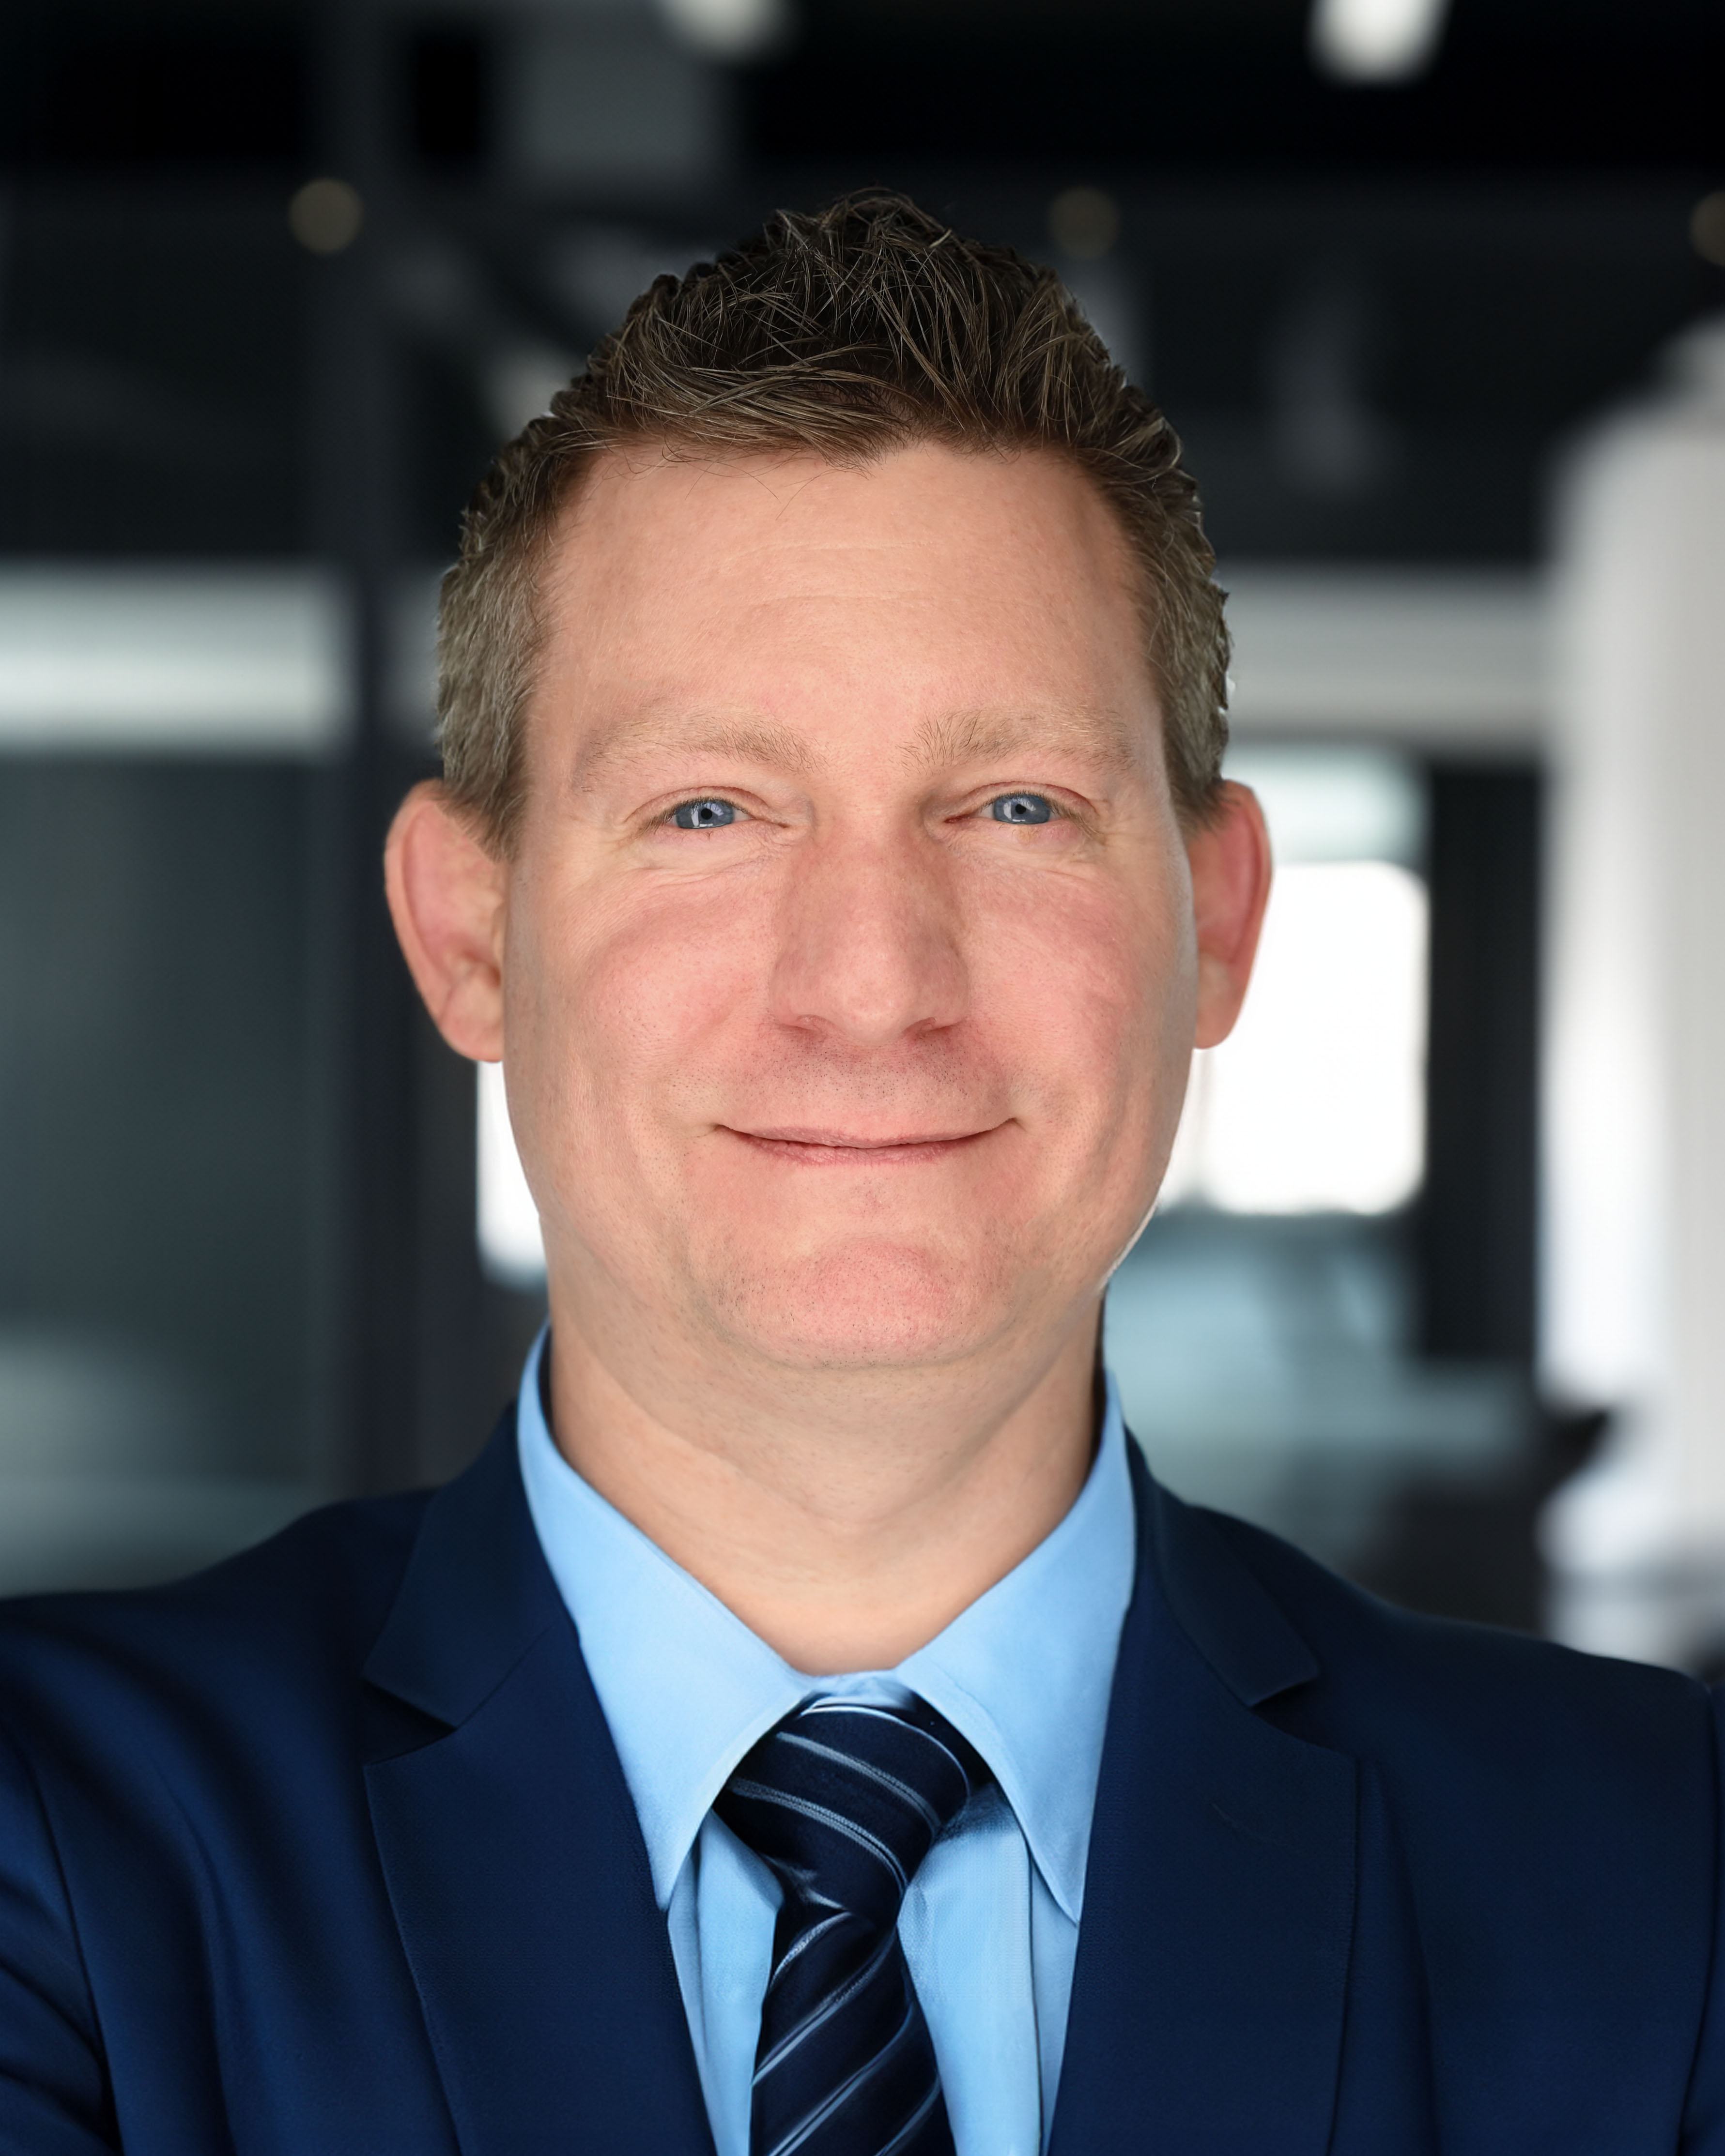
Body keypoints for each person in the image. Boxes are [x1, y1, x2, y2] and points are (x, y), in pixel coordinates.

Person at [0, 191, 1721, 2156]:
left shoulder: (1662, 1871)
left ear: (1220, 921)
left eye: (1016, 806)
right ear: (470, 934)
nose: (874, 982)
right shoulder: (56, 1845)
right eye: (710, 810)